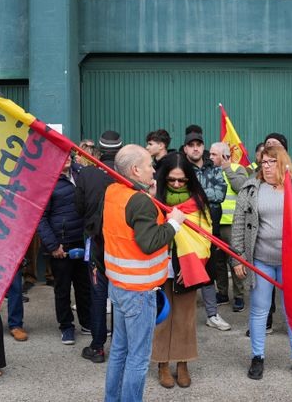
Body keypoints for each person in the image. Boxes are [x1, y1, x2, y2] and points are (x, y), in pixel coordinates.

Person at [231, 145, 292, 381]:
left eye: (272, 162)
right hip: (261, 260)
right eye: (263, 162)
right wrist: (237, 257)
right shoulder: (251, 188)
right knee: (260, 310)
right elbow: (239, 223)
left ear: (283, 163)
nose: (267, 167)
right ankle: (257, 357)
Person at [103, 145, 185, 402]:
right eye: (150, 164)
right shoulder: (140, 201)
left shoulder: (114, 191)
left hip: (118, 285)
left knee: (119, 351)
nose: (154, 169)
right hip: (139, 292)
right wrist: (174, 223)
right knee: (138, 359)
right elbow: (148, 242)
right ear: (135, 170)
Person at [152, 152, 212, 389]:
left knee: (185, 318)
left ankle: (183, 363)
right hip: (159, 265)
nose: (176, 184)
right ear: (163, 177)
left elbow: (205, 236)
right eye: (171, 180)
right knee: (162, 318)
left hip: (187, 265)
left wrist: (190, 264)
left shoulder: (198, 201)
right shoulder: (153, 197)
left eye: (182, 180)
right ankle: (162, 364)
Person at [74, 130, 123, 363]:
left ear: (100, 150)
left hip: (96, 243)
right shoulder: (125, 174)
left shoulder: (87, 174)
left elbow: (79, 209)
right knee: (122, 295)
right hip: (123, 246)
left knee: (98, 295)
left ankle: (97, 347)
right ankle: (121, 346)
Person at [37, 155, 91, 345]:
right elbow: (40, 217)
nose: (66, 158)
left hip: (82, 240)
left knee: (84, 286)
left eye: (69, 154)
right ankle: (66, 327)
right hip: (61, 244)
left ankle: (87, 323)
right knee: (62, 289)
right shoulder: (47, 180)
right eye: (61, 155)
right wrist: (53, 246)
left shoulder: (81, 173)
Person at [182, 128, 231, 332]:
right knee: (185, 272)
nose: (195, 148)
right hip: (186, 230)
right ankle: (183, 317)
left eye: (199, 145)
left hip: (210, 229)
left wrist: (198, 193)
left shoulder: (214, 168)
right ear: (185, 149)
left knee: (208, 272)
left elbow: (220, 194)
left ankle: (212, 314)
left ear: (203, 147)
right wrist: (200, 194)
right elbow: (182, 195)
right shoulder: (181, 169)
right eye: (191, 145)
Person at [209, 142, 249, 312]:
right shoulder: (209, 170)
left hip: (232, 224)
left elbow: (240, 187)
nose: (210, 157)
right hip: (214, 224)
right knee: (218, 261)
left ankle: (239, 296)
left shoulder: (238, 169)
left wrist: (227, 169)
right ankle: (223, 293)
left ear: (224, 156)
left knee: (236, 260)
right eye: (210, 154)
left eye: (213, 154)